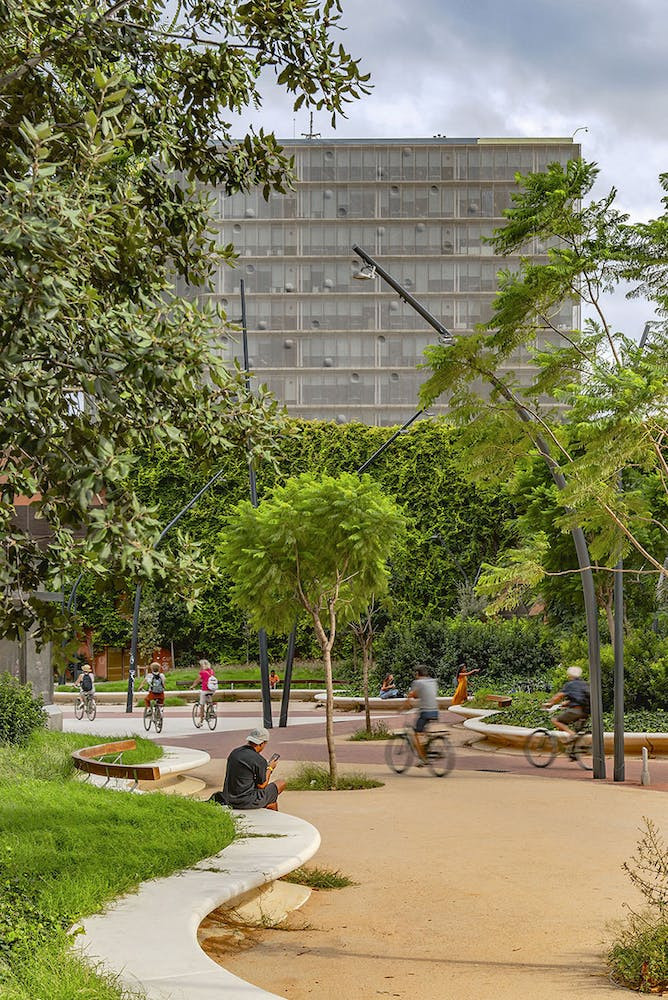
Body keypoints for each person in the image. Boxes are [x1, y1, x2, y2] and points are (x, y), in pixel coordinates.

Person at [218, 727, 286, 811]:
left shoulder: (235, 752)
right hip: (246, 801)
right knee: (281, 783)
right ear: (262, 744)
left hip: (229, 798)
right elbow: (262, 785)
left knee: (272, 803)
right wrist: (270, 768)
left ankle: (268, 806)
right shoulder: (259, 760)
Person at [543, 666, 590, 743]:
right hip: (586, 712)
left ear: (570, 675)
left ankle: (571, 734)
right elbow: (580, 698)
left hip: (576, 711)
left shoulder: (570, 684)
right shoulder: (584, 684)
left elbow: (559, 696)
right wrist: (567, 703)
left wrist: (549, 704)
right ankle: (576, 748)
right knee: (577, 730)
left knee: (555, 720)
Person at [405, 665, 439, 761]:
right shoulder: (433, 681)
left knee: (416, 734)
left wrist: (406, 703)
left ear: (417, 674)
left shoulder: (418, 682)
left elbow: (413, 695)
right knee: (423, 731)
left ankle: (423, 759)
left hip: (425, 712)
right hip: (435, 711)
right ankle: (427, 746)